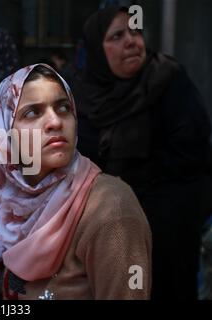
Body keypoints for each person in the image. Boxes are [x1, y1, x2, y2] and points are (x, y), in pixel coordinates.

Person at [0, 64, 152, 300]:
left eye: (63, 108)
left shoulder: (112, 210)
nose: (55, 122)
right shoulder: (6, 201)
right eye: (32, 113)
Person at [74, 6, 212, 299]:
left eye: (135, 32)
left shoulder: (168, 79)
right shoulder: (84, 95)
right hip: (103, 231)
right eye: (117, 35)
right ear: (97, 49)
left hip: (168, 232)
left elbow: (193, 156)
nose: (131, 41)